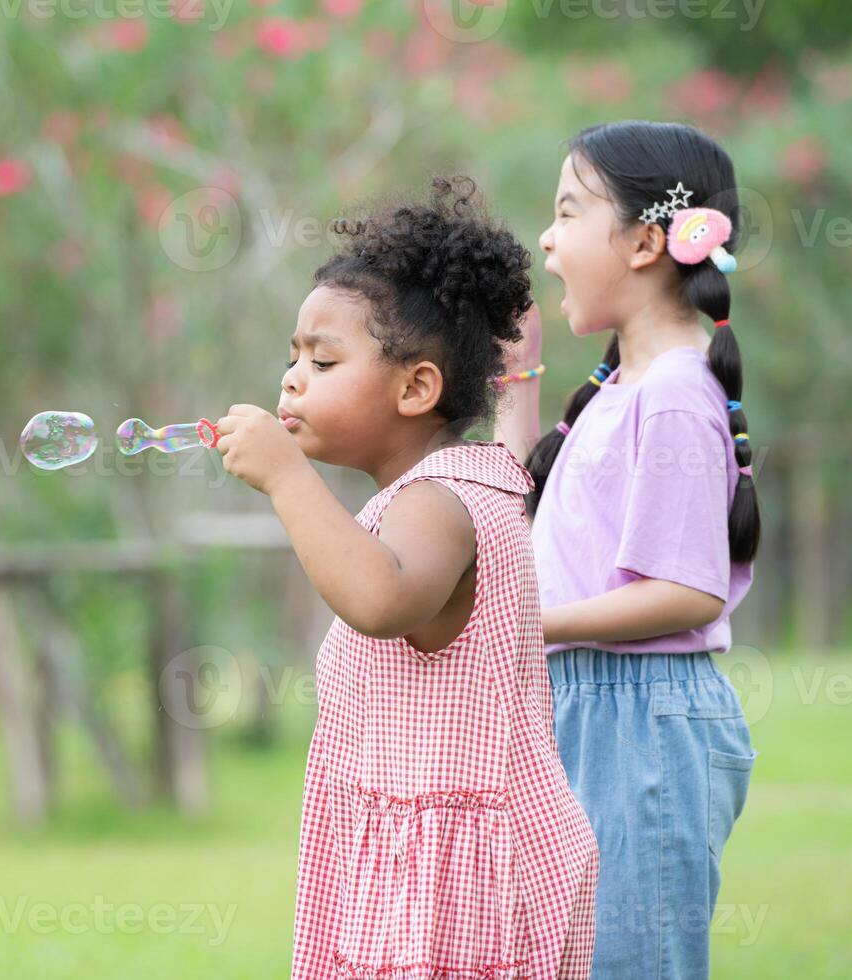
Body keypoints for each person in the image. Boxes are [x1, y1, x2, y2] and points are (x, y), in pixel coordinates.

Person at [213, 175, 599, 979]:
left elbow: (382, 600)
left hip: (456, 880)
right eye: (292, 358)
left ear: (417, 387)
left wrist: (288, 479)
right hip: (435, 857)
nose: (291, 379)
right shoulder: (453, 486)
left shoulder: (439, 500)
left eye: (322, 360)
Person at [494, 120, 761, 979]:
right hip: (588, 707)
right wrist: (515, 381)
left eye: (568, 210)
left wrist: (526, 625)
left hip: (639, 719)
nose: (546, 237)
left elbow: (689, 593)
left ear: (646, 241)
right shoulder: (617, 391)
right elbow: (517, 529)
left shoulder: (677, 393)